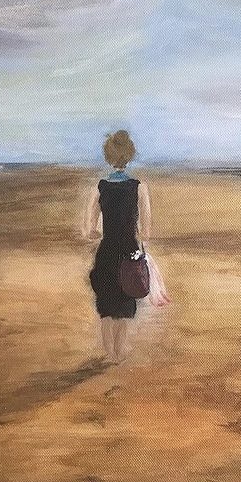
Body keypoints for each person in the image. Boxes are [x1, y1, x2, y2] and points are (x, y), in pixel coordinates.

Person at [83, 130, 151, 364]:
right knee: (124, 305)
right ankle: (119, 354)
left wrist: (102, 232)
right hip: (129, 252)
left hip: (107, 252)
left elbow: (89, 230)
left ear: (108, 156)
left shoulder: (100, 187)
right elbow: (146, 232)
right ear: (129, 155)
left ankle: (109, 353)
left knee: (106, 307)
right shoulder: (139, 188)